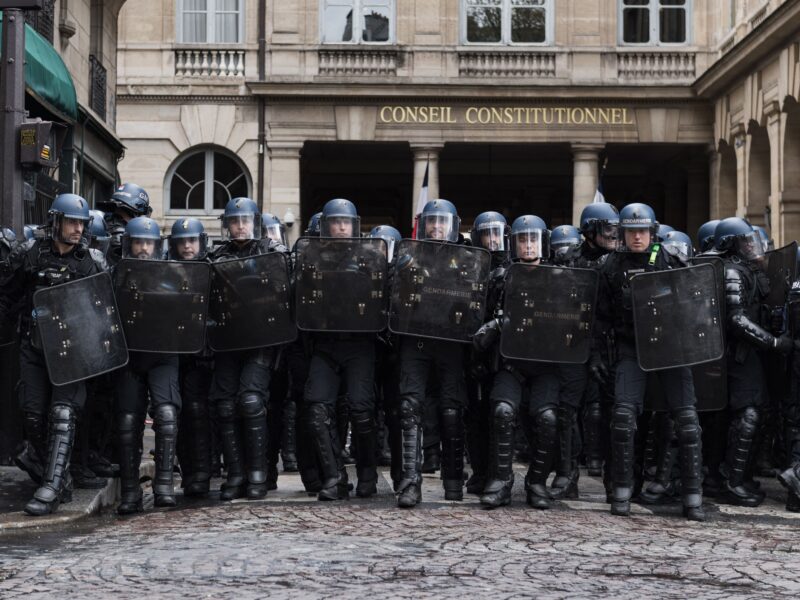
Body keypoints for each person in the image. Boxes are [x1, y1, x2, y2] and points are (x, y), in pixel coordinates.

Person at [593, 203, 705, 521]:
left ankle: (693, 497)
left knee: (687, 422)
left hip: (672, 349)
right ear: (623, 233)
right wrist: (598, 355)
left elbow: (695, 304)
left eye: (642, 231)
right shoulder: (610, 266)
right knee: (623, 418)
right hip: (632, 348)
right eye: (631, 232)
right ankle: (622, 491)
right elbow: (600, 318)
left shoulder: (671, 260)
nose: (637, 237)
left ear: (652, 232)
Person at [0, 194, 107, 515]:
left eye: (82, 224)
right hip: (34, 346)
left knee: (63, 413)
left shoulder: (92, 262)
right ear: (56, 221)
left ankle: (52, 485)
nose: (78, 229)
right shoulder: (29, 254)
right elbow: (8, 297)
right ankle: (58, 476)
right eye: (72, 222)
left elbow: (105, 312)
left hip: (73, 352)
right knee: (32, 414)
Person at [477, 215, 562, 509]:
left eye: (533, 239)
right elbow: (481, 316)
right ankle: (501, 482)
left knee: (548, 419)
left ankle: (537, 483)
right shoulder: (500, 279)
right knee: (502, 412)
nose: (528, 245)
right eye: (523, 240)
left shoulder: (559, 279)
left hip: (545, 364)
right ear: (513, 243)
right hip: (510, 363)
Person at [208, 197, 286, 501]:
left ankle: (258, 473)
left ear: (255, 223)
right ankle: (236, 474)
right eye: (234, 221)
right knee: (226, 406)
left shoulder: (273, 252)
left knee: (251, 401)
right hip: (229, 341)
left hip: (262, 341)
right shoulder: (216, 256)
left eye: (245, 221)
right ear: (227, 225)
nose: (240, 226)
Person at [395, 199, 471, 508]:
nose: (437, 227)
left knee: (452, 409)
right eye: (432, 221)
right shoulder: (409, 255)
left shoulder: (467, 259)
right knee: (410, 407)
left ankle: (453, 481)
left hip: (451, 343)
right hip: (416, 340)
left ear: (453, 225)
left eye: (442, 221)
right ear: (423, 225)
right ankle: (410, 483)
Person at [715, 217, 793, 507]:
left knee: (758, 413)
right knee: (747, 416)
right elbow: (736, 320)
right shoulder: (732, 272)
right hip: (738, 355)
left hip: (752, 354)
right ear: (731, 244)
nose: (752, 247)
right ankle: (732, 482)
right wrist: (773, 342)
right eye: (746, 242)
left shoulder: (749, 271)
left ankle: (742, 478)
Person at [115, 217, 184, 514]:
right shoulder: (116, 275)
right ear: (129, 245)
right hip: (130, 355)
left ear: (157, 246)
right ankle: (130, 491)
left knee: (166, 414)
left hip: (163, 353)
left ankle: (164, 485)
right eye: (138, 242)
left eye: (148, 243)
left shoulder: (171, 276)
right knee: (128, 421)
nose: (143, 248)